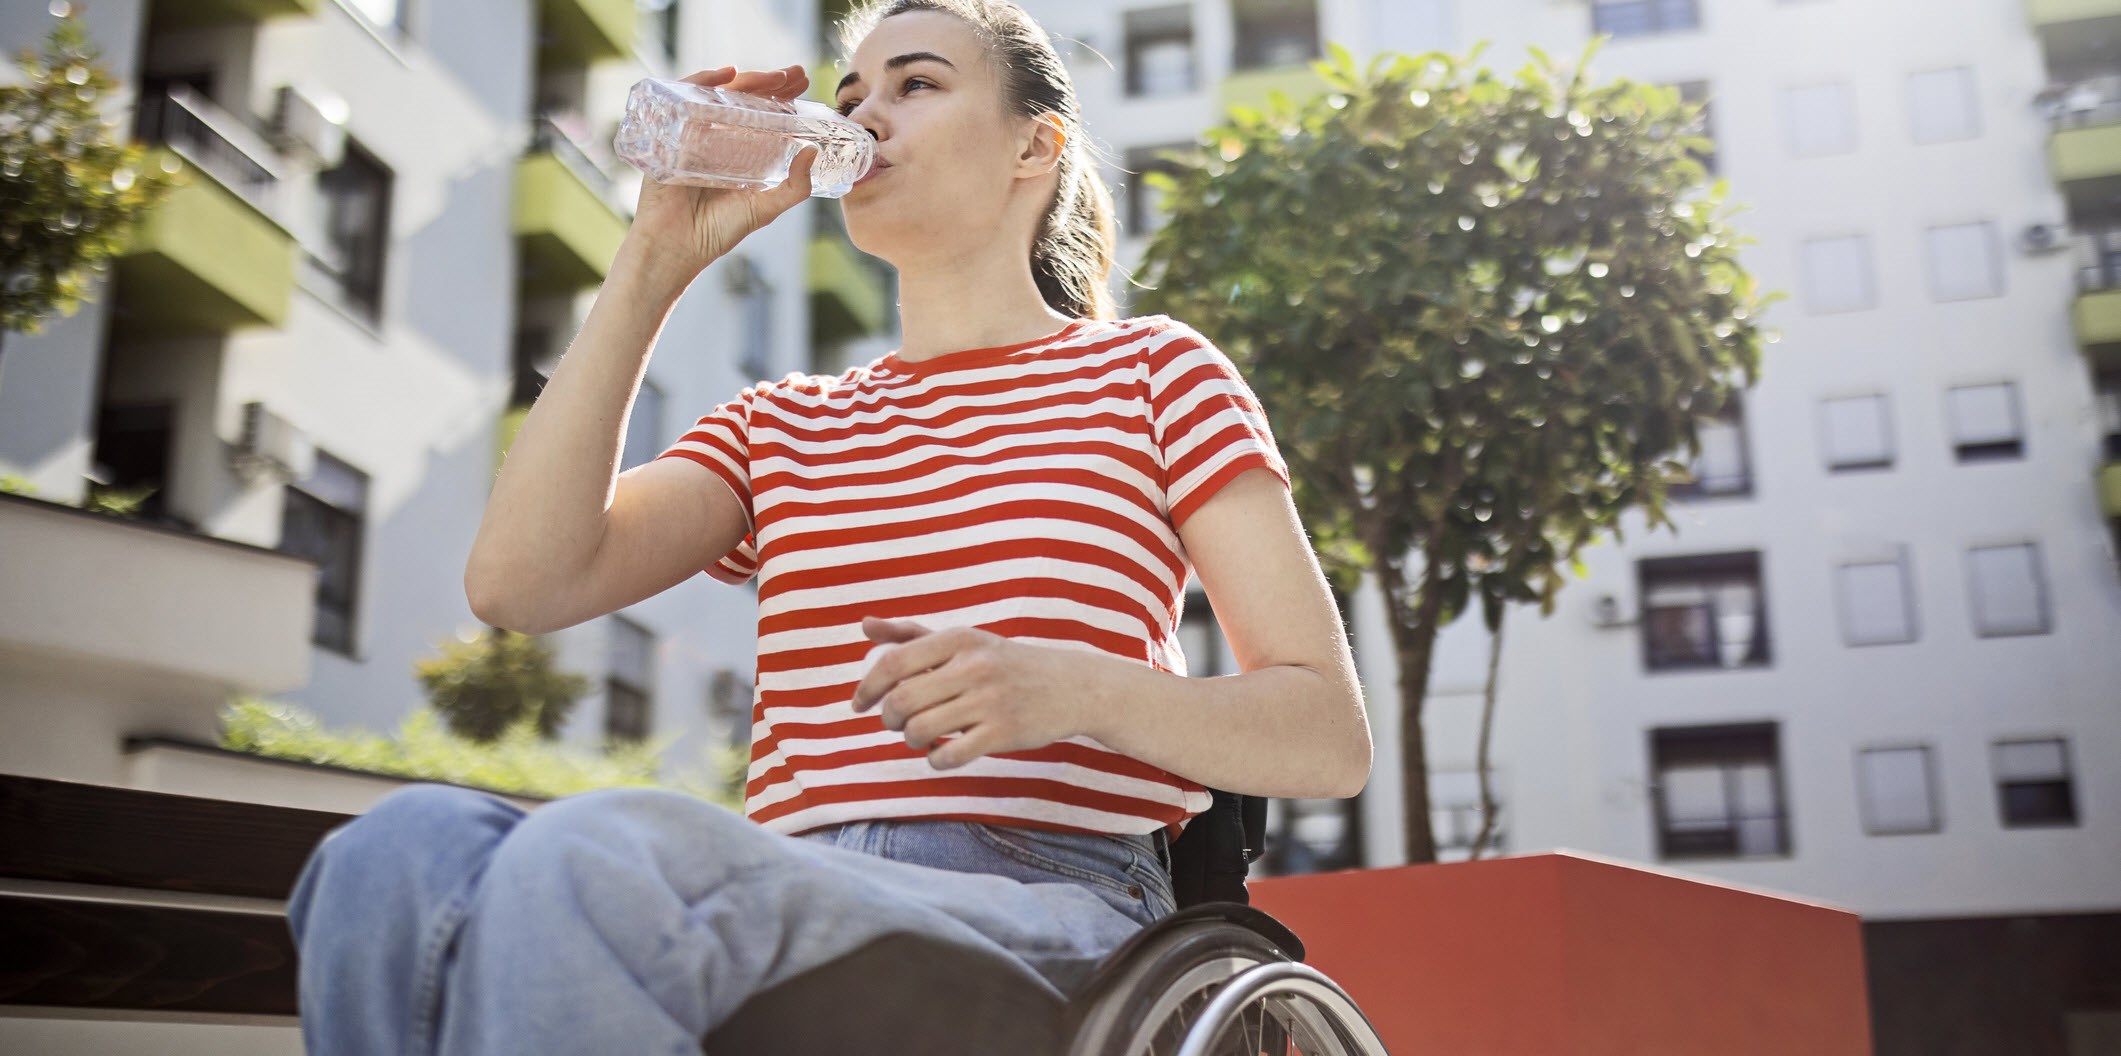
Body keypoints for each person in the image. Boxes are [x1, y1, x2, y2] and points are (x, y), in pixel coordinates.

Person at [284, 1, 1370, 1052]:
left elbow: (1326, 735)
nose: (865, 115)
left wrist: (1071, 688)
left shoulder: (1151, 373)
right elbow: (519, 584)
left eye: (918, 85)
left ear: (1034, 147)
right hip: (782, 889)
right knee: (393, 856)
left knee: (598, 853)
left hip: (1056, 910)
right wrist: (657, 254)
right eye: (853, 93)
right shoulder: (784, 421)